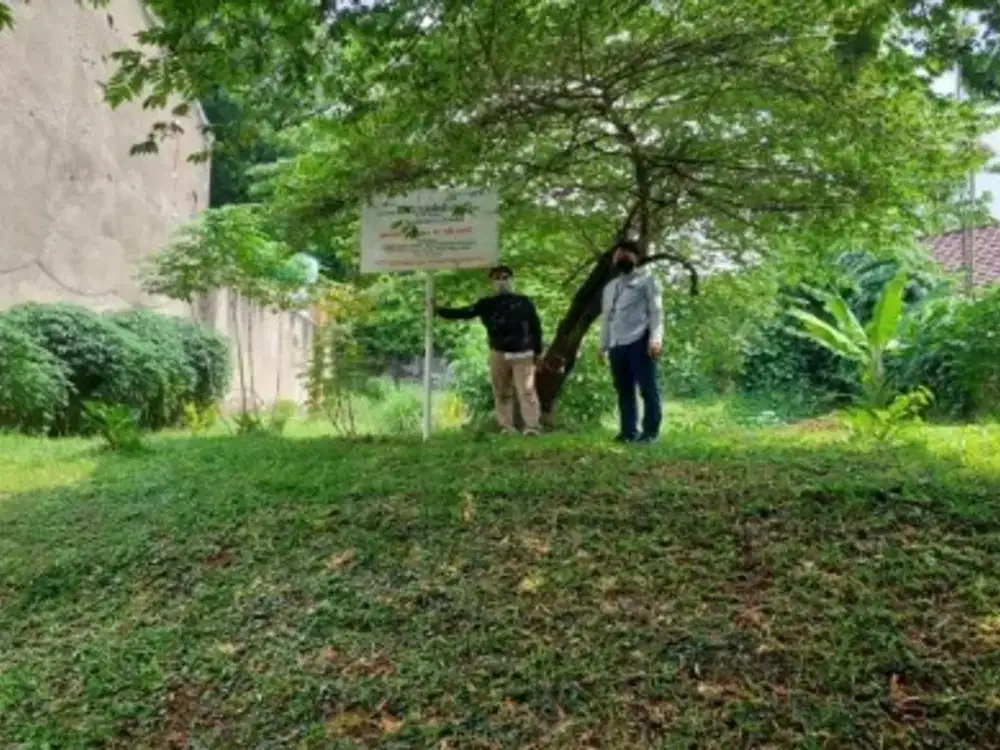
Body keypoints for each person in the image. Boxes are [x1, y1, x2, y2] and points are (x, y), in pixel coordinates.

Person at [436, 265, 544, 435]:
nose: (501, 281)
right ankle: (506, 427)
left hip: (523, 354)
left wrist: (538, 351)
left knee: (527, 391)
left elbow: (536, 327)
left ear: (511, 280)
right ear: (491, 282)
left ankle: (532, 426)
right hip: (498, 353)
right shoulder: (486, 304)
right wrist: (439, 310)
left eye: (505, 277)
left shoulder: (524, 302)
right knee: (501, 391)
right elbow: (465, 313)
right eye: (497, 278)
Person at [598, 240, 664, 443]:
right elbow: (606, 316)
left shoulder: (648, 280)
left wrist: (655, 338)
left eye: (626, 254)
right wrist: (603, 345)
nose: (622, 257)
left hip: (640, 340)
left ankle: (650, 433)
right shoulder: (610, 287)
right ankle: (628, 432)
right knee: (624, 389)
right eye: (618, 254)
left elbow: (656, 312)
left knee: (647, 388)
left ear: (636, 258)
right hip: (617, 344)